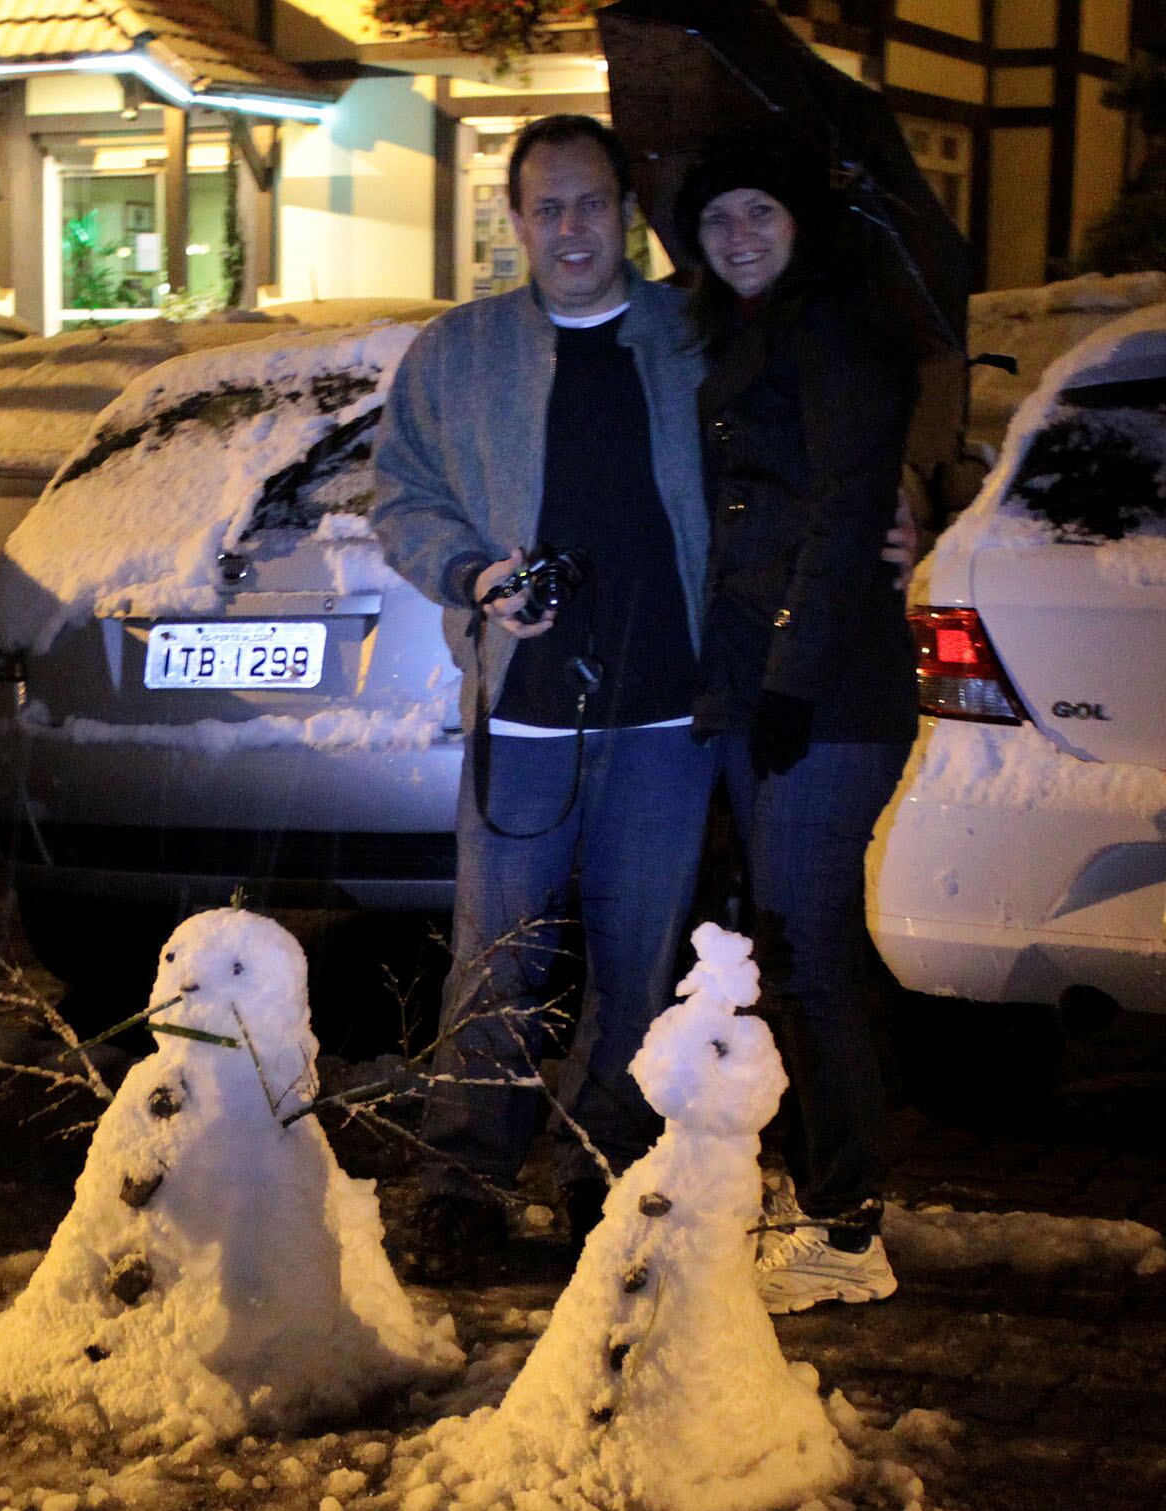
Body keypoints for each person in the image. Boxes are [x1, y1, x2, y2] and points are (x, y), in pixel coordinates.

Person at [370, 114, 716, 1283]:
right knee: (495, 958)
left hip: (665, 715)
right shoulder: (457, 354)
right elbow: (400, 495)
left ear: (625, 213)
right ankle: (460, 1181)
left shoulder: (693, 337)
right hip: (522, 712)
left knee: (637, 959)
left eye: (591, 204)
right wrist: (471, 574)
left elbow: (786, 463)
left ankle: (597, 1168)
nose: (571, 229)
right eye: (547, 207)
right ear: (514, 219)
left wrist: (893, 501)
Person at [677, 136, 918, 1313]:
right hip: (750, 687)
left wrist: (788, 675)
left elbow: (846, 507)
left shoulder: (834, 329)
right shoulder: (730, 332)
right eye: (715, 215)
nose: (736, 234)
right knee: (785, 945)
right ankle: (823, 1189)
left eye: (758, 210)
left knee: (809, 948)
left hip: (822, 695)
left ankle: (846, 1225)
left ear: (799, 222)